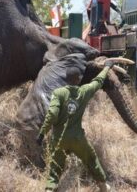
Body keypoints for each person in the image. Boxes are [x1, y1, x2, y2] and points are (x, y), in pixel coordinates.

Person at [37, 60, 114, 192]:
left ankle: (50, 189)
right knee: (91, 159)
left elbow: (52, 114)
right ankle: (103, 186)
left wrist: (42, 133)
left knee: (55, 167)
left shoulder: (59, 93)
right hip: (78, 138)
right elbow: (98, 81)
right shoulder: (84, 91)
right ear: (79, 79)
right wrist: (107, 68)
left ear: (65, 79)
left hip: (59, 139)